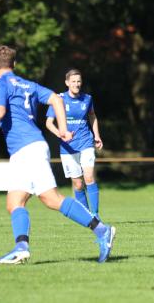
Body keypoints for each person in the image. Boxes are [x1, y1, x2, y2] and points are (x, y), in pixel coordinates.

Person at [0, 45, 115, 264]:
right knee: (17, 202)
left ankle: (102, 230)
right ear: (14, 64)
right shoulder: (28, 84)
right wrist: (64, 129)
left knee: (50, 199)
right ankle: (21, 247)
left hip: (26, 149)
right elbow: (57, 100)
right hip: (31, 148)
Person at [46, 69, 104, 219]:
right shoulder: (58, 100)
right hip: (67, 147)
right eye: (73, 81)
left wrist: (97, 135)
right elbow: (48, 123)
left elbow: (92, 116)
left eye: (79, 81)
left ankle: (95, 215)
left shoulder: (87, 99)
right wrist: (61, 134)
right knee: (78, 185)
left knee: (89, 177)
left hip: (86, 142)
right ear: (67, 83)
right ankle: (86, 217)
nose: (76, 84)